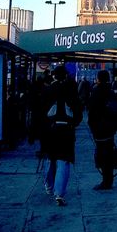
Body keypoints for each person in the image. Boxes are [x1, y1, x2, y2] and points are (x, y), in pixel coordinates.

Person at [42, 65, 83, 206]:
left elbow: (40, 111)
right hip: (66, 129)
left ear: (54, 76)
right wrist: (74, 123)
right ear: (65, 76)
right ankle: (59, 193)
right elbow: (78, 112)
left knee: (50, 159)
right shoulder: (71, 90)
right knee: (63, 161)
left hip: (50, 129)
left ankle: (49, 186)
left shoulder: (47, 90)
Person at [87, 69, 117, 190]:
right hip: (110, 127)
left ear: (98, 78)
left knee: (102, 153)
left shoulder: (96, 91)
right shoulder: (111, 91)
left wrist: (91, 125)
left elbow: (91, 110)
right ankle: (109, 179)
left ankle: (105, 181)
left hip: (99, 128)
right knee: (109, 153)